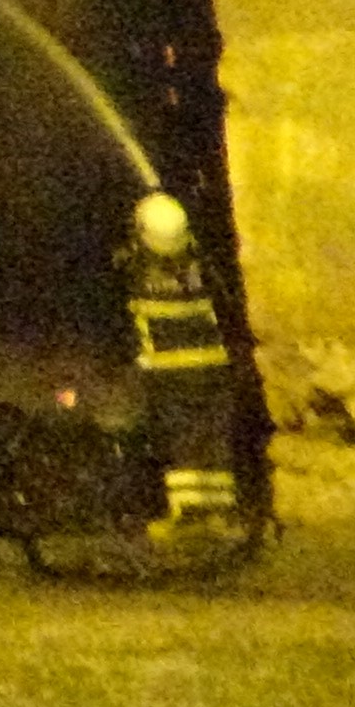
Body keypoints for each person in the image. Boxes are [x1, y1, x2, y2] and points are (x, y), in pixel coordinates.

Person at [125, 192, 246, 543]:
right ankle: (222, 514)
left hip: (170, 373)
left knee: (183, 445)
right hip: (213, 367)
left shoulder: (137, 270)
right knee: (214, 441)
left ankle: (188, 517)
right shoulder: (201, 265)